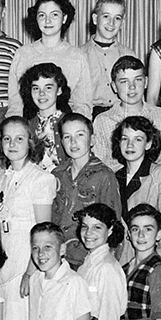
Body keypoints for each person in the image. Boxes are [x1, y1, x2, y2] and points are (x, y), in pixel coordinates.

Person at [0, 116, 56, 320]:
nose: (12, 144)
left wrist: (30, 271)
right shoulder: (2, 178)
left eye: (19, 138)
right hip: (4, 256)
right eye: (7, 138)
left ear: (31, 142)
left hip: (25, 258)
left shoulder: (41, 179)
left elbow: (44, 233)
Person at [51, 113, 122, 269]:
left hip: (90, 260)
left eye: (80, 135)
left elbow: (113, 224)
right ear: (61, 141)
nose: (73, 142)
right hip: (59, 258)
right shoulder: (56, 175)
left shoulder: (104, 175)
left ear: (93, 140)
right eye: (67, 137)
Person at [6, 0, 93, 118]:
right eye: (42, 15)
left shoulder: (77, 56)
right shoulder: (23, 53)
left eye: (54, 15)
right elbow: (15, 104)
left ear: (64, 18)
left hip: (65, 127)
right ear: (36, 18)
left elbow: (82, 105)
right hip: (29, 125)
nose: (47, 20)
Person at [112, 115, 161, 262]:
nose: (130, 145)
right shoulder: (113, 178)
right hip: (119, 260)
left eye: (138, 139)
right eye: (125, 139)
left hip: (149, 259)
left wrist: (159, 265)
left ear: (148, 144)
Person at [92, 56, 161, 170]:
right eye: (124, 81)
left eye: (138, 79)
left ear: (146, 82)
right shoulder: (103, 120)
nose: (132, 87)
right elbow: (100, 164)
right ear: (114, 86)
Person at [80, 0, 136, 118]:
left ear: (122, 22)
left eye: (117, 18)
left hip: (123, 117)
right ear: (95, 19)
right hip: (89, 117)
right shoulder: (79, 54)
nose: (111, 23)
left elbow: (137, 96)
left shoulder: (129, 54)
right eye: (106, 16)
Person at [18, 62, 73, 171]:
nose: (41, 93)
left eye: (48, 88)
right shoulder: (27, 126)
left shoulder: (70, 123)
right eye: (36, 88)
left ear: (59, 90)